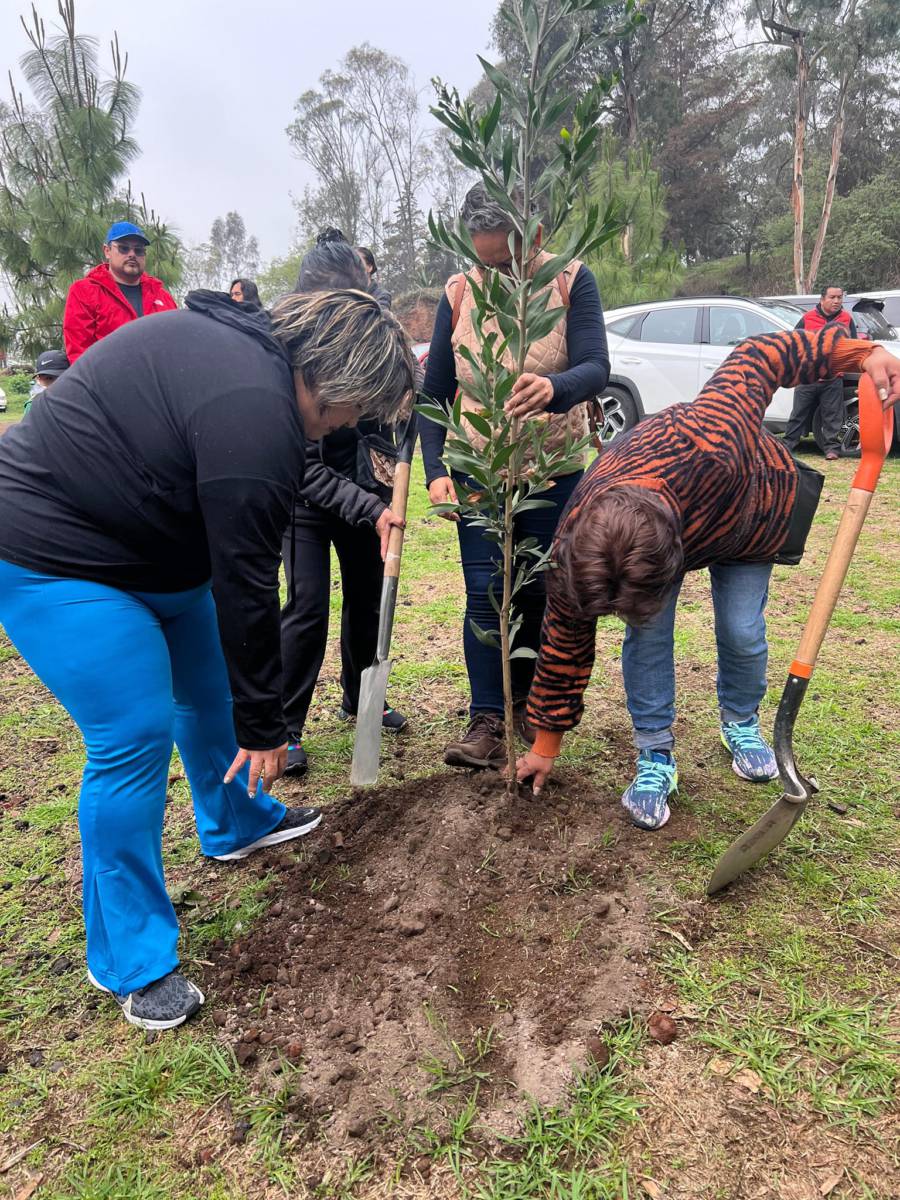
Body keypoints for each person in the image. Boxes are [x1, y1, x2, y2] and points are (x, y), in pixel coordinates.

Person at [0, 288, 414, 1028]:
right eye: (355, 408)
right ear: (337, 377)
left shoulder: (260, 372)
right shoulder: (253, 404)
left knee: (208, 692)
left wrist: (248, 712)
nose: (350, 424)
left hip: (153, 551)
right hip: (55, 552)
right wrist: (266, 728)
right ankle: (130, 958)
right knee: (133, 735)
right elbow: (247, 584)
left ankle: (235, 822)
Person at [516, 326, 900, 830]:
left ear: (673, 557)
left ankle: (741, 721)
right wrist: (546, 745)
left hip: (751, 512)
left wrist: (864, 353)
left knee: (742, 630)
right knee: (648, 636)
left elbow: (763, 353)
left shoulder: (711, 434)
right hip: (662, 519)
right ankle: (655, 754)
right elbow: (564, 644)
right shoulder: (577, 549)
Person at [421, 181, 610, 769]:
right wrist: (436, 471)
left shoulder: (571, 280)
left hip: (554, 469)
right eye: (484, 261)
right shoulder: (458, 292)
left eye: (506, 259)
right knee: (486, 592)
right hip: (479, 467)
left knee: (540, 588)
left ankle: (531, 706)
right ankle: (487, 717)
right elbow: (434, 394)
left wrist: (556, 388)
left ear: (534, 234)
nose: (496, 272)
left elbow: (596, 367)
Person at [281, 232, 409, 777]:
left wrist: (398, 462)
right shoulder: (288, 352)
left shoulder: (375, 334)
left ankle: (361, 700)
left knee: (367, 601)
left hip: (368, 493)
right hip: (305, 497)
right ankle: (285, 727)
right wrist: (367, 503)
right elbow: (304, 467)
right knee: (307, 606)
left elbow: (404, 407)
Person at [62, 221, 177, 362]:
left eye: (138, 250)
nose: (132, 254)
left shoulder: (162, 296)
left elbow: (175, 345)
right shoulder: (84, 292)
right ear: (107, 251)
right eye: (124, 248)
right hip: (108, 381)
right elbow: (79, 353)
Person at [783, 286, 858, 461]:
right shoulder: (807, 318)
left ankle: (832, 449)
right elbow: (794, 343)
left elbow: (854, 345)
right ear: (822, 299)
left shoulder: (846, 319)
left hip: (833, 378)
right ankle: (787, 446)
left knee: (833, 416)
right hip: (808, 377)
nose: (837, 301)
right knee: (798, 414)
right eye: (832, 297)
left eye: (840, 297)